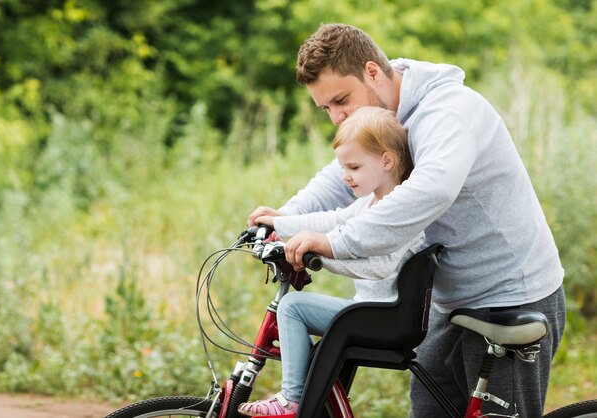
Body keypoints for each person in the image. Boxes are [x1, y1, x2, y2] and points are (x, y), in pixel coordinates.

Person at [247, 23, 565, 416]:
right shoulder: (381, 121)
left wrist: (334, 243)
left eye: (341, 100)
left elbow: (431, 190)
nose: (336, 116)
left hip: (510, 294)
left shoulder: (447, 112)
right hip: (449, 304)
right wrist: (285, 219)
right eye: (326, 108)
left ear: (373, 73)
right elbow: (343, 175)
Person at [238, 106, 426, 416]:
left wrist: (318, 257)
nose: (345, 176)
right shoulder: (372, 201)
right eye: (343, 167)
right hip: (372, 311)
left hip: (385, 317)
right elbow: (335, 218)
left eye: (353, 166)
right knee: (298, 312)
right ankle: (308, 397)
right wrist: (280, 222)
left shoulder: (397, 210)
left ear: (386, 161)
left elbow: (379, 267)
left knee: (293, 307)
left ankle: (291, 399)